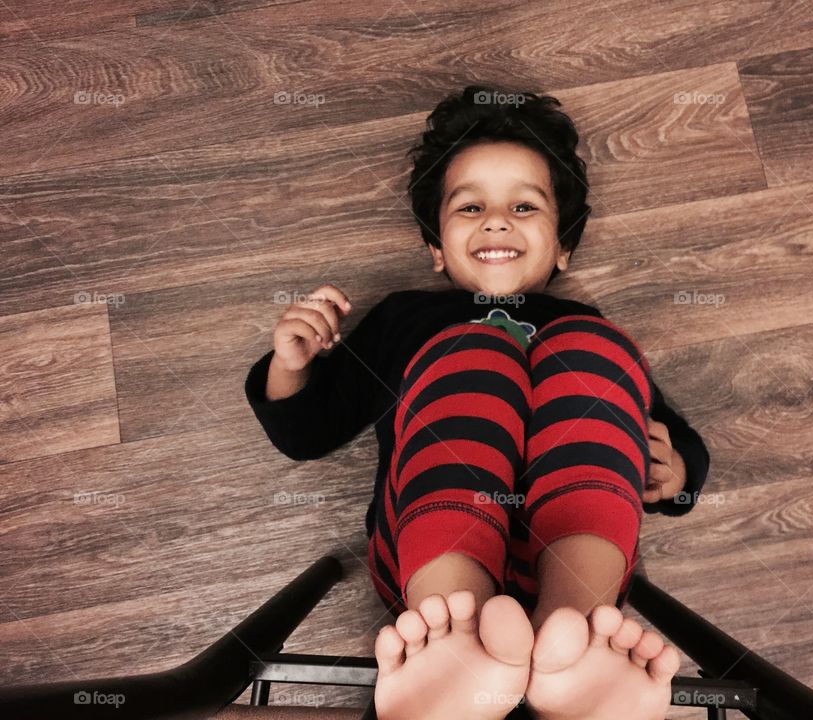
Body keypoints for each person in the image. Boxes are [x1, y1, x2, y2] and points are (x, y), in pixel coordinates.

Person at [245, 84, 711, 720]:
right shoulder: (407, 319)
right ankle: (487, 638)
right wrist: (290, 366)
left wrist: (678, 475)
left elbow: (660, 437)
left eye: (525, 206)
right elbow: (304, 433)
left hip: (571, 560)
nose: (497, 221)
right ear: (436, 249)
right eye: (469, 209)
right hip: (440, 562)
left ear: (563, 247)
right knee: (476, 350)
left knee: (591, 347)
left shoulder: (578, 322)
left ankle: (561, 640)